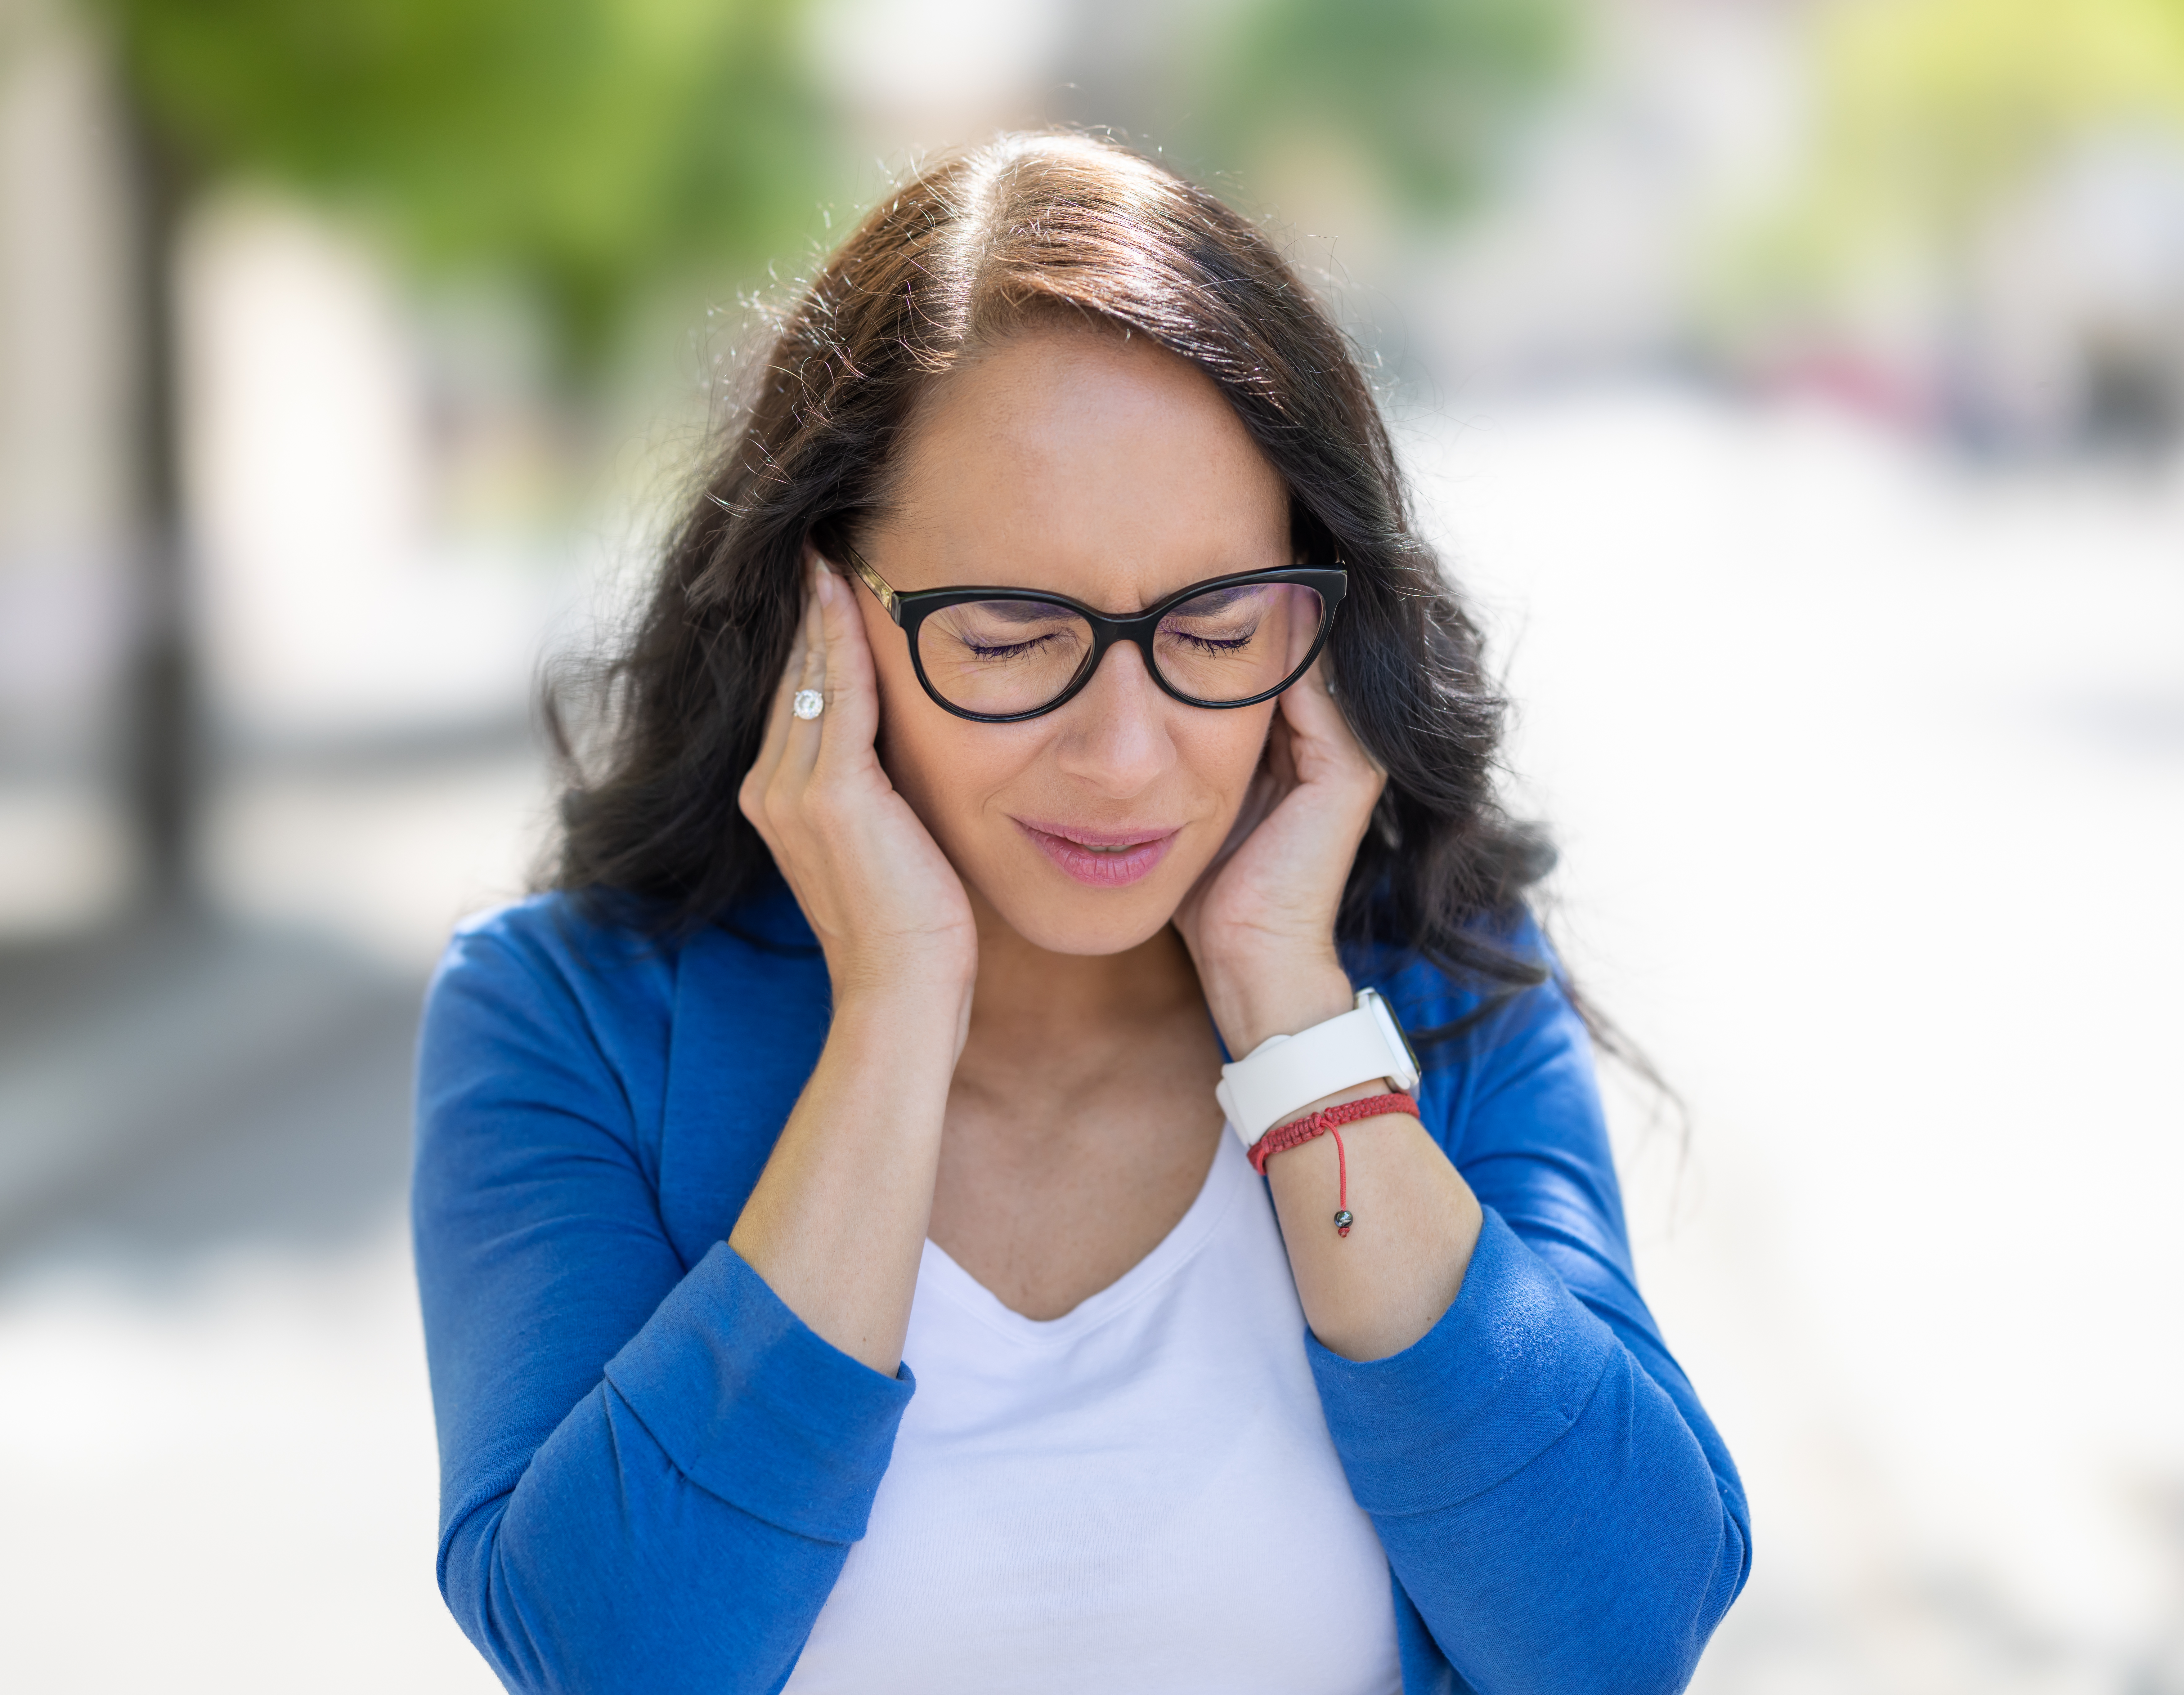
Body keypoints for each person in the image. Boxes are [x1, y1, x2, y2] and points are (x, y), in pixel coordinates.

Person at [413, 131, 1749, 1695]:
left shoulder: (1434, 982)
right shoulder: (564, 1018)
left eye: (1217, 622)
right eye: (1006, 635)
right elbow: (613, 1655)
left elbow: (1619, 1631)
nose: (1124, 757)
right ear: (814, 613)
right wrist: (895, 1009)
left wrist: (1284, 999)